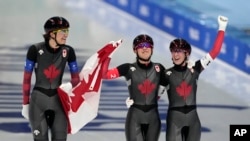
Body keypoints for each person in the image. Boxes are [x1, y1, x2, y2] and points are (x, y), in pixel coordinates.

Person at [163, 15, 228, 141]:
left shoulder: (197, 68)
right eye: (174, 51)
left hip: (193, 121)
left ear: (186, 54)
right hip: (174, 122)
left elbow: (215, 51)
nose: (176, 54)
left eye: (179, 51)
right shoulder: (166, 74)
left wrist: (222, 27)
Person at [21, 16, 80, 141]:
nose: (66, 35)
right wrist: (25, 103)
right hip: (38, 103)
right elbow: (27, 79)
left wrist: (70, 85)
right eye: (63, 31)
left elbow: (77, 79)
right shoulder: (35, 50)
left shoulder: (68, 51)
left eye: (67, 31)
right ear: (52, 34)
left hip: (59, 102)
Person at [102, 34, 168, 141]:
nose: (145, 48)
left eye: (147, 45)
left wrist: (185, 68)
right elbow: (104, 74)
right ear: (134, 50)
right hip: (135, 117)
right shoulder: (127, 68)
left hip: (153, 118)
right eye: (141, 45)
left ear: (152, 49)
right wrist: (109, 54)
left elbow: (172, 83)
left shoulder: (159, 68)